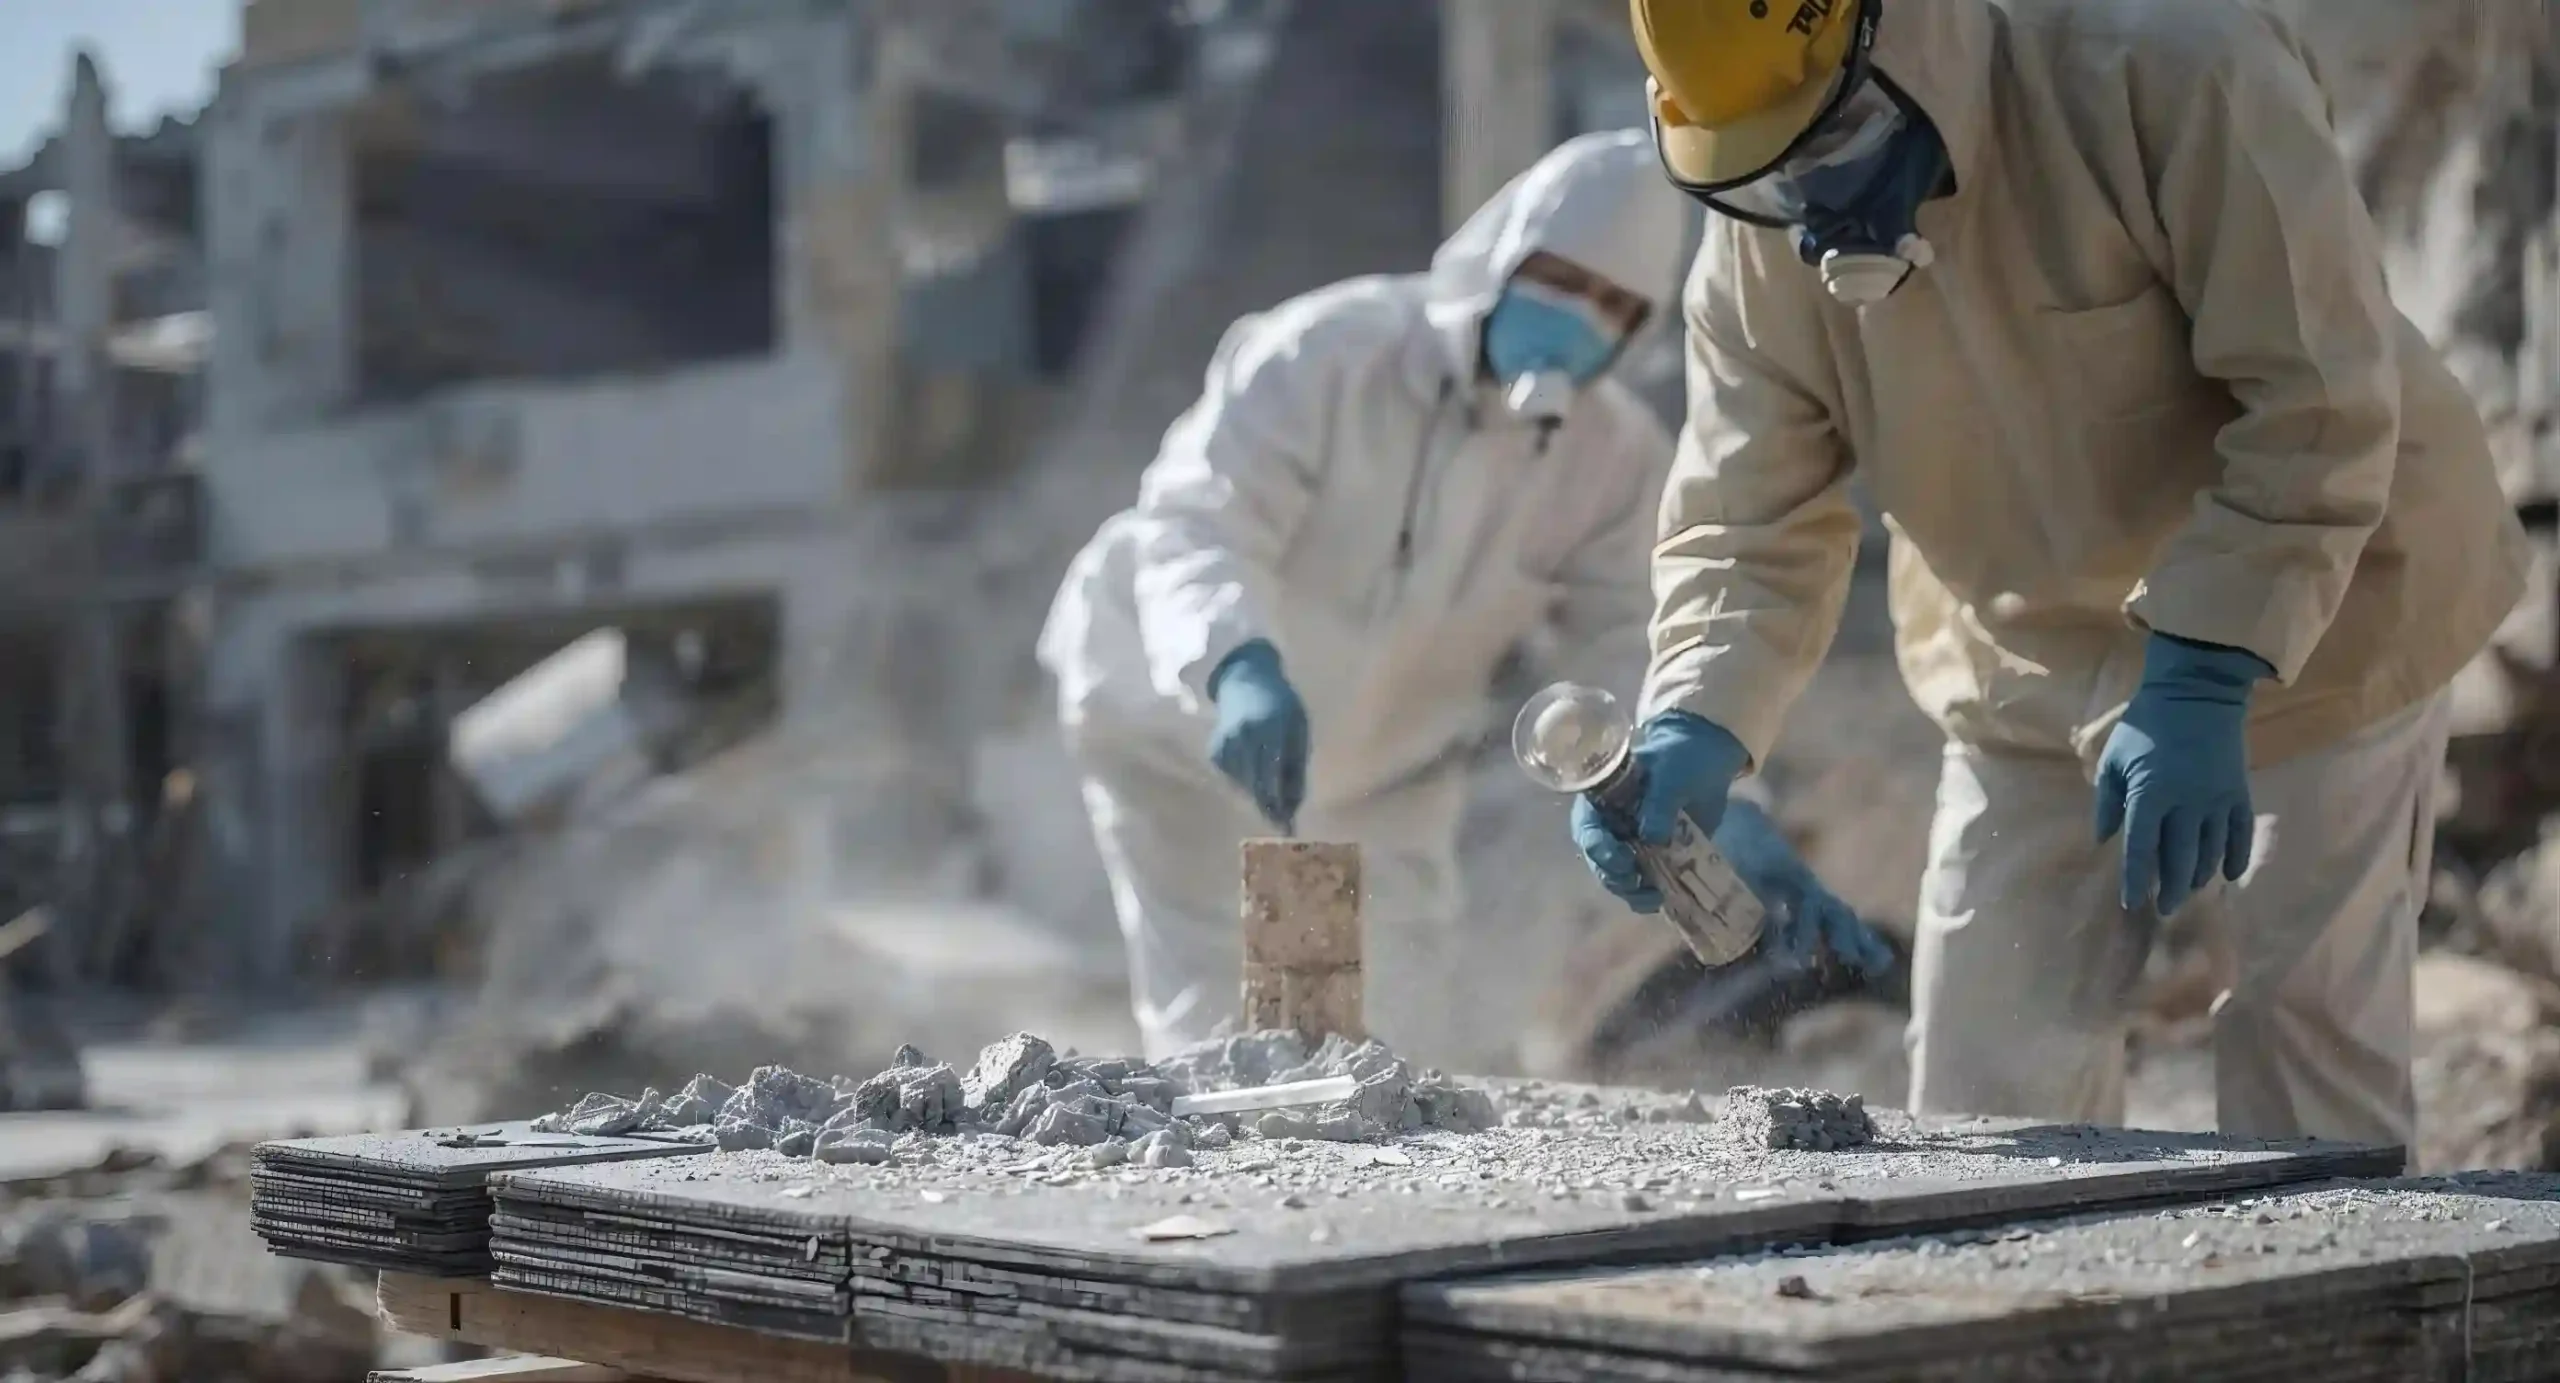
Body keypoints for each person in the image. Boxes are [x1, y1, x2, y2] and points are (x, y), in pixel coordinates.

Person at [1578, 0, 2533, 1152]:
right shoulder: (1769, 216)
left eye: (1827, 145)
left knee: (2304, 1042)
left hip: (2327, 599)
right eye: (1767, 174)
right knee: (1988, 1080)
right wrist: (1695, 716)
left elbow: (2317, 399)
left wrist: (2202, 668)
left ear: (1893, 38)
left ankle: (2327, 1324)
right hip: (2029, 652)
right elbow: (1744, 517)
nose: (1814, 210)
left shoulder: (2169, 64)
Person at [1041, 131, 1881, 1064]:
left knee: (1386, 1048)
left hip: (1379, 775)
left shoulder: (1609, 457)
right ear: (1504, 253)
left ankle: (1341, 1207)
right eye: (1562, 278)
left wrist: (1732, 805)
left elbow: (1634, 645)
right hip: (1180, 731)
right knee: (1229, 1032)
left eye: (1616, 306)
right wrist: (1233, 662)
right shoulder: (1330, 352)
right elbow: (1198, 520)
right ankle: (1226, 1195)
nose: (1582, 315)